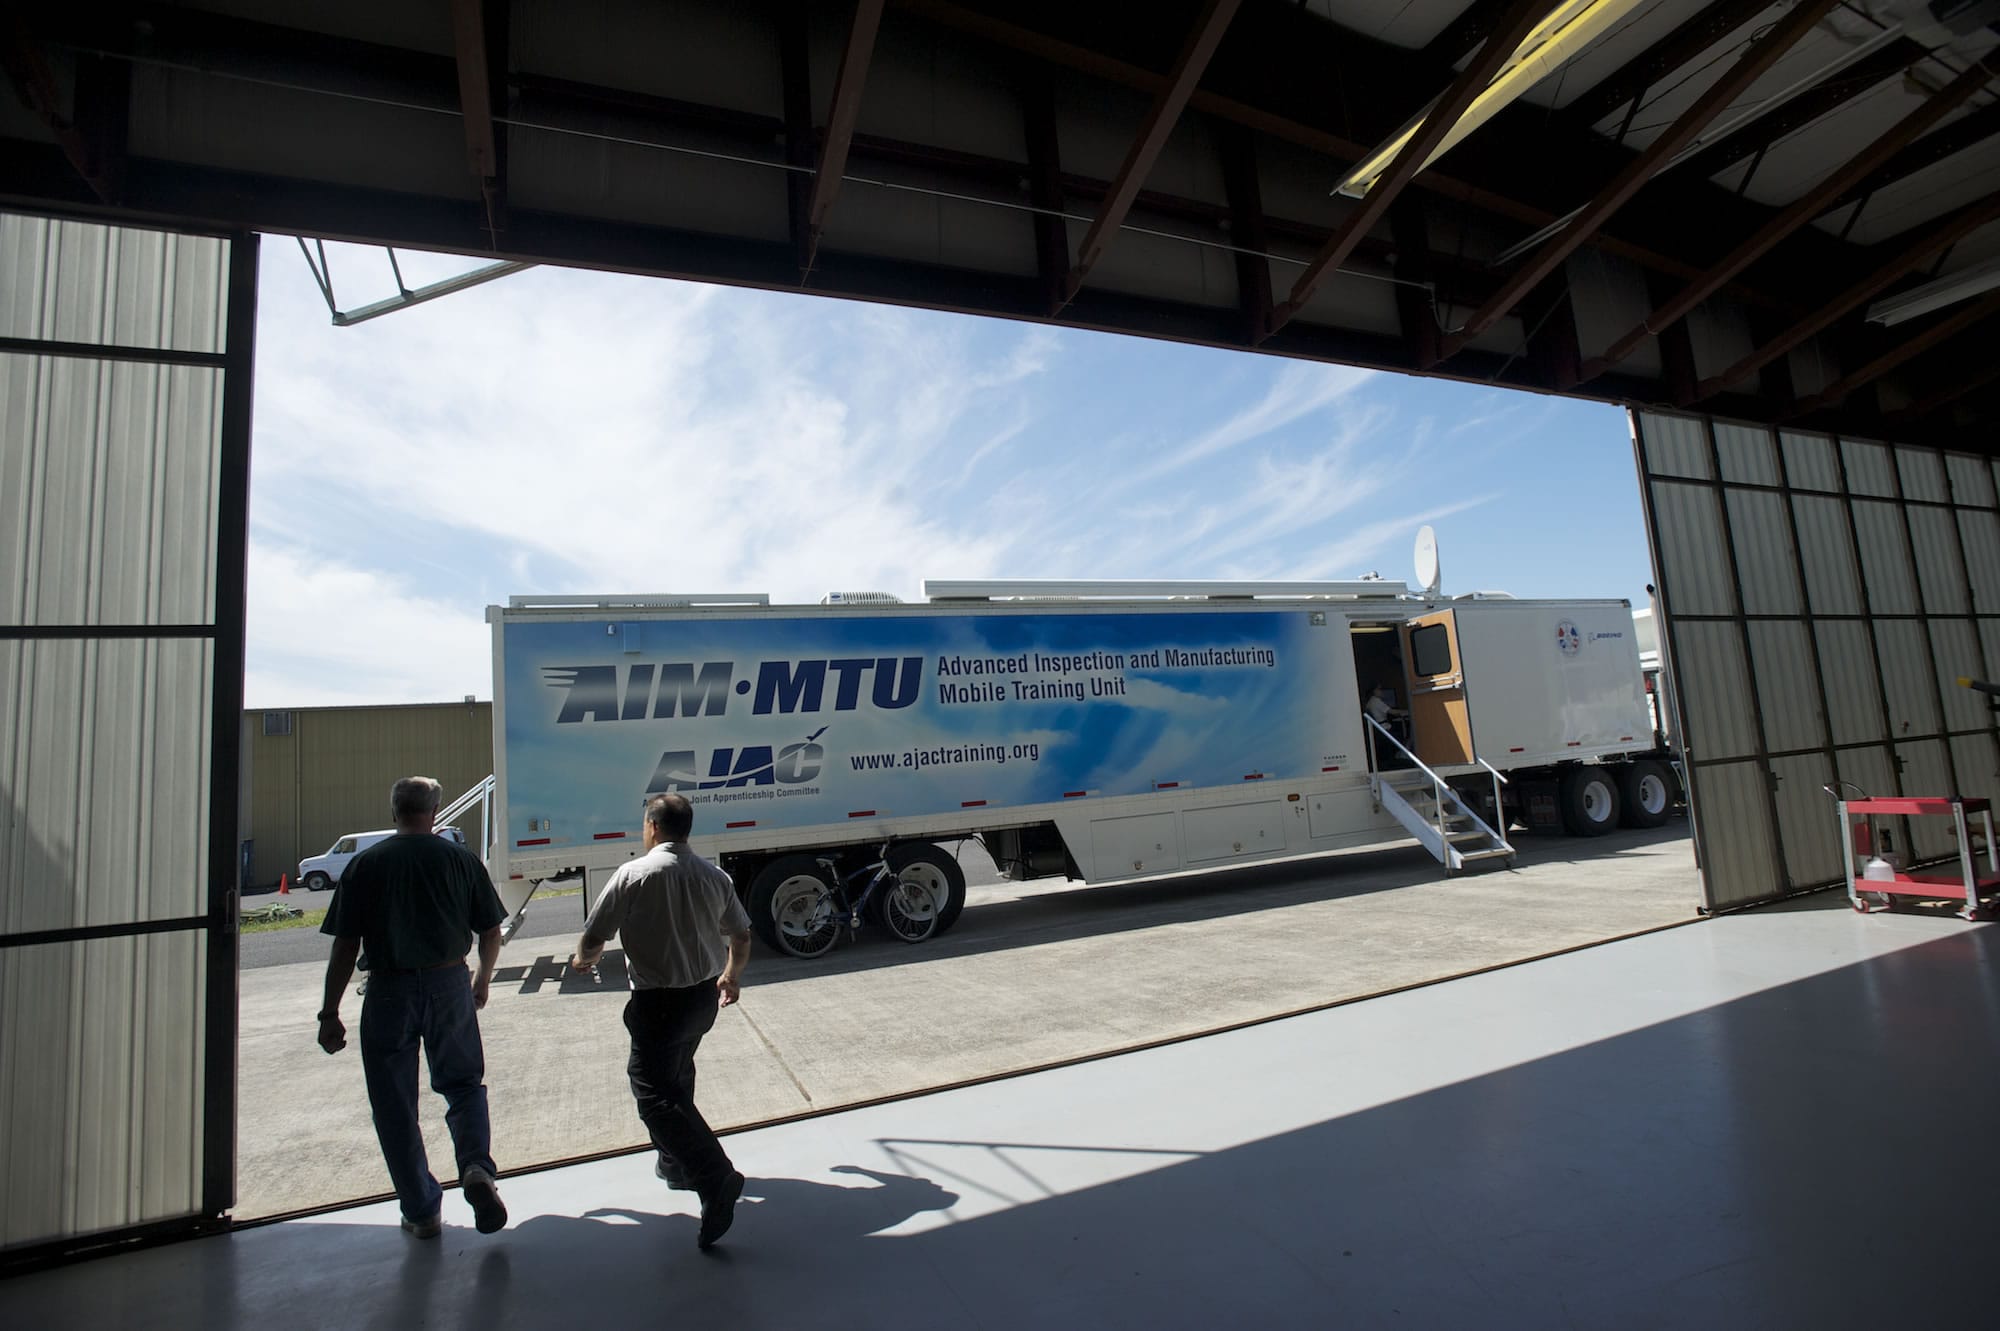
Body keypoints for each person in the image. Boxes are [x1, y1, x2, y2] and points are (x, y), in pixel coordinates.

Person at [316, 776, 509, 1240]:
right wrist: (480, 980)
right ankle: (476, 1169)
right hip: (448, 983)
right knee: (463, 1086)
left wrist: (329, 1012)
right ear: (436, 811)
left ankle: (422, 1210)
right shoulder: (460, 860)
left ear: (393, 812)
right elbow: (490, 930)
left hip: (388, 991)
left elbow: (345, 946)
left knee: (394, 1103)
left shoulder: (366, 865)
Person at [570, 792, 753, 1250]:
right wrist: (731, 975)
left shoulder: (633, 875)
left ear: (652, 827)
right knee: (677, 1075)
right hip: (702, 1000)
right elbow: (741, 933)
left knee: (652, 1094)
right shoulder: (714, 875)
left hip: (658, 1003)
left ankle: (715, 1176)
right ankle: (675, 1164)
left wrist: (582, 960)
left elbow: (595, 935)